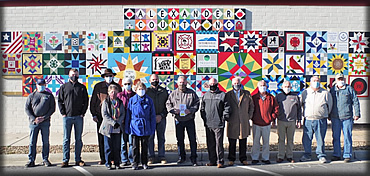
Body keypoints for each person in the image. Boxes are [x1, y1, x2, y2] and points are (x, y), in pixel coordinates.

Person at [90, 68, 122, 165]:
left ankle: (113, 158)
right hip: (102, 117)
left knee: (114, 139)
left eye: (110, 76)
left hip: (115, 117)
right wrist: (94, 114)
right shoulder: (98, 86)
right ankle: (103, 158)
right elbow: (93, 101)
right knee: (102, 138)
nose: (109, 77)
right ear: (104, 77)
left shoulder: (117, 87)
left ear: (113, 76)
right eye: (107, 76)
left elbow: (120, 101)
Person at [166, 76, 200, 166]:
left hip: (189, 119)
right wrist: (173, 111)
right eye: (180, 82)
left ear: (186, 83)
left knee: (192, 139)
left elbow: (197, 103)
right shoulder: (173, 94)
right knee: (180, 140)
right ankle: (181, 157)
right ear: (177, 83)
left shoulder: (191, 93)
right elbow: (168, 104)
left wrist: (191, 110)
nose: (182, 84)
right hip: (178, 120)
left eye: (184, 82)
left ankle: (194, 157)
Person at [58, 68, 89, 167]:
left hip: (78, 117)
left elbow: (86, 101)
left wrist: (82, 113)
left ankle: (78, 159)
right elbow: (60, 101)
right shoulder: (64, 87)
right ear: (69, 75)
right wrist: (63, 113)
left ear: (78, 75)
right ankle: (65, 159)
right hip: (67, 117)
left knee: (78, 139)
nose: (74, 76)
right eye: (72, 74)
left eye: (76, 74)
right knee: (66, 139)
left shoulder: (82, 87)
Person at [300, 76, 333, 163]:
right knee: (307, 138)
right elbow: (301, 104)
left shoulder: (325, 93)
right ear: (310, 82)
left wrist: (325, 114)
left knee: (320, 138)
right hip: (308, 119)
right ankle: (307, 155)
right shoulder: (305, 92)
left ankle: (321, 155)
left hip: (321, 119)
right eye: (314, 81)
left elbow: (330, 105)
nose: (316, 82)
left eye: (317, 80)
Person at [329, 73, 360, 163]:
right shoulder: (332, 90)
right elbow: (329, 102)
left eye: (342, 79)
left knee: (347, 136)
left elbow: (355, 101)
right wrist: (329, 115)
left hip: (347, 117)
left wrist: (357, 113)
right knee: (335, 137)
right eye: (339, 79)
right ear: (336, 80)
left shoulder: (349, 89)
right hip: (335, 117)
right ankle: (336, 154)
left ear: (344, 79)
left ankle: (347, 155)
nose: (340, 81)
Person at [24, 78, 56, 167]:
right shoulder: (31, 95)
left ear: (45, 85)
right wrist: (34, 118)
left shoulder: (49, 96)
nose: (41, 86)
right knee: (32, 142)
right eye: (39, 85)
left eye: (42, 85)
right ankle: (31, 160)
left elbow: (52, 109)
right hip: (33, 123)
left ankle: (45, 159)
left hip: (45, 122)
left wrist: (44, 117)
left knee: (45, 142)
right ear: (36, 85)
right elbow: (27, 108)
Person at [125, 82, 156, 170]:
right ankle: (135, 162)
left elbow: (152, 115)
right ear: (136, 90)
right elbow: (128, 114)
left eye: (142, 89)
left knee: (145, 145)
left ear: (145, 90)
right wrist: (127, 127)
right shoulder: (132, 100)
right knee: (135, 146)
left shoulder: (149, 100)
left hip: (146, 125)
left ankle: (144, 162)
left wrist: (152, 128)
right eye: (139, 89)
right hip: (135, 125)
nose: (141, 91)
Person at [201, 78, 230, 168]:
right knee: (210, 143)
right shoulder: (205, 95)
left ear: (217, 84)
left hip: (219, 123)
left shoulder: (222, 95)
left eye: (214, 84)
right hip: (208, 123)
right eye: (211, 84)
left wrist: (224, 118)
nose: (212, 85)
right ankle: (212, 161)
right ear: (208, 85)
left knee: (219, 144)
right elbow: (202, 109)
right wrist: (204, 119)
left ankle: (220, 161)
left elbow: (227, 108)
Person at [225, 77, 254, 166]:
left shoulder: (246, 94)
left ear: (240, 84)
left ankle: (243, 158)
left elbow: (251, 106)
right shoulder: (228, 95)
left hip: (243, 121)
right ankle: (231, 159)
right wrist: (227, 117)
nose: (236, 85)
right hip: (232, 121)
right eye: (234, 83)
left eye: (238, 83)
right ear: (232, 84)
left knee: (243, 141)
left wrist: (248, 116)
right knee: (232, 142)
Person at [251, 80, 279, 165]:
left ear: (266, 87)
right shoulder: (254, 97)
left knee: (266, 142)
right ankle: (255, 158)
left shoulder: (271, 97)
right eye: (261, 85)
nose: (262, 87)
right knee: (256, 142)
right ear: (258, 87)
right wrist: (252, 118)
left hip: (267, 123)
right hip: (256, 123)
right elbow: (250, 109)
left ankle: (265, 158)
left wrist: (272, 118)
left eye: (264, 85)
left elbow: (276, 109)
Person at [99, 84, 125, 170]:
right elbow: (105, 115)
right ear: (108, 92)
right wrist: (113, 123)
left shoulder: (120, 102)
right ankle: (108, 162)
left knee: (117, 146)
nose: (113, 93)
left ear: (118, 92)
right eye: (111, 92)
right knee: (108, 147)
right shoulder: (105, 102)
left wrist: (119, 122)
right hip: (108, 127)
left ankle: (117, 162)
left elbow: (122, 114)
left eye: (115, 91)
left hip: (117, 127)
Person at [275, 81, 302, 163]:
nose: (287, 88)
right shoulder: (278, 96)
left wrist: (299, 120)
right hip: (281, 121)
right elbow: (275, 109)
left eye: (288, 86)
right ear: (282, 87)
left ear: (291, 87)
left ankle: (289, 156)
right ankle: (281, 156)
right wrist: (274, 120)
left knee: (290, 140)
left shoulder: (295, 96)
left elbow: (299, 109)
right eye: (285, 86)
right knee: (281, 140)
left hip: (292, 121)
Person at [146, 74, 169, 164]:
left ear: (159, 80)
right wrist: (152, 116)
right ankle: (150, 156)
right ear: (149, 81)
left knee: (161, 137)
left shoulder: (163, 91)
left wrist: (161, 115)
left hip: (161, 118)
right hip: (150, 119)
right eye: (153, 79)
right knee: (150, 138)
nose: (154, 81)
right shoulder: (147, 91)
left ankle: (161, 156)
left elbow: (168, 105)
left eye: (156, 79)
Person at [117, 78, 136, 167]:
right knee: (123, 142)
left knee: (131, 142)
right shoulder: (120, 95)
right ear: (122, 85)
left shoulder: (135, 95)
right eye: (125, 84)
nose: (127, 85)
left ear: (132, 84)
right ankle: (124, 159)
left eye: (129, 83)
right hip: (123, 122)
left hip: (132, 122)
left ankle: (132, 159)